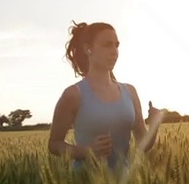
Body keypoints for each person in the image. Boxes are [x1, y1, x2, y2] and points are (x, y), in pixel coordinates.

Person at [48, 21, 162, 174]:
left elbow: (143, 144)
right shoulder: (73, 94)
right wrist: (87, 151)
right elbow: (54, 144)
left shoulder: (130, 91)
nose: (114, 51)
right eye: (107, 45)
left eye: (116, 45)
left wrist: (154, 125)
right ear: (88, 49)